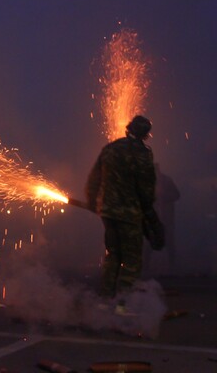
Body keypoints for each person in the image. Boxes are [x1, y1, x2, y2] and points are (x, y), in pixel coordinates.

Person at [83, 115, 162, 303]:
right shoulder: (143, 154)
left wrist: (93, 203)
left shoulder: (110, 149)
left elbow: (93, 180)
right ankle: (121, 307)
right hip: (130, 215)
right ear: (146, 134)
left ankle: (104, 303)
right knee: (132, 260)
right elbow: (146, 189)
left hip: (108, 214)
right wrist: (151, 218)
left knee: (113, 256)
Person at [144, 164, 180, 272]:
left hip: (166, 218)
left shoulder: (166, 181)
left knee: (169, 242)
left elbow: (176, 195)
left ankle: (173, 267)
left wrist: (163, 195)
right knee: (149, 244)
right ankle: (145, 268)